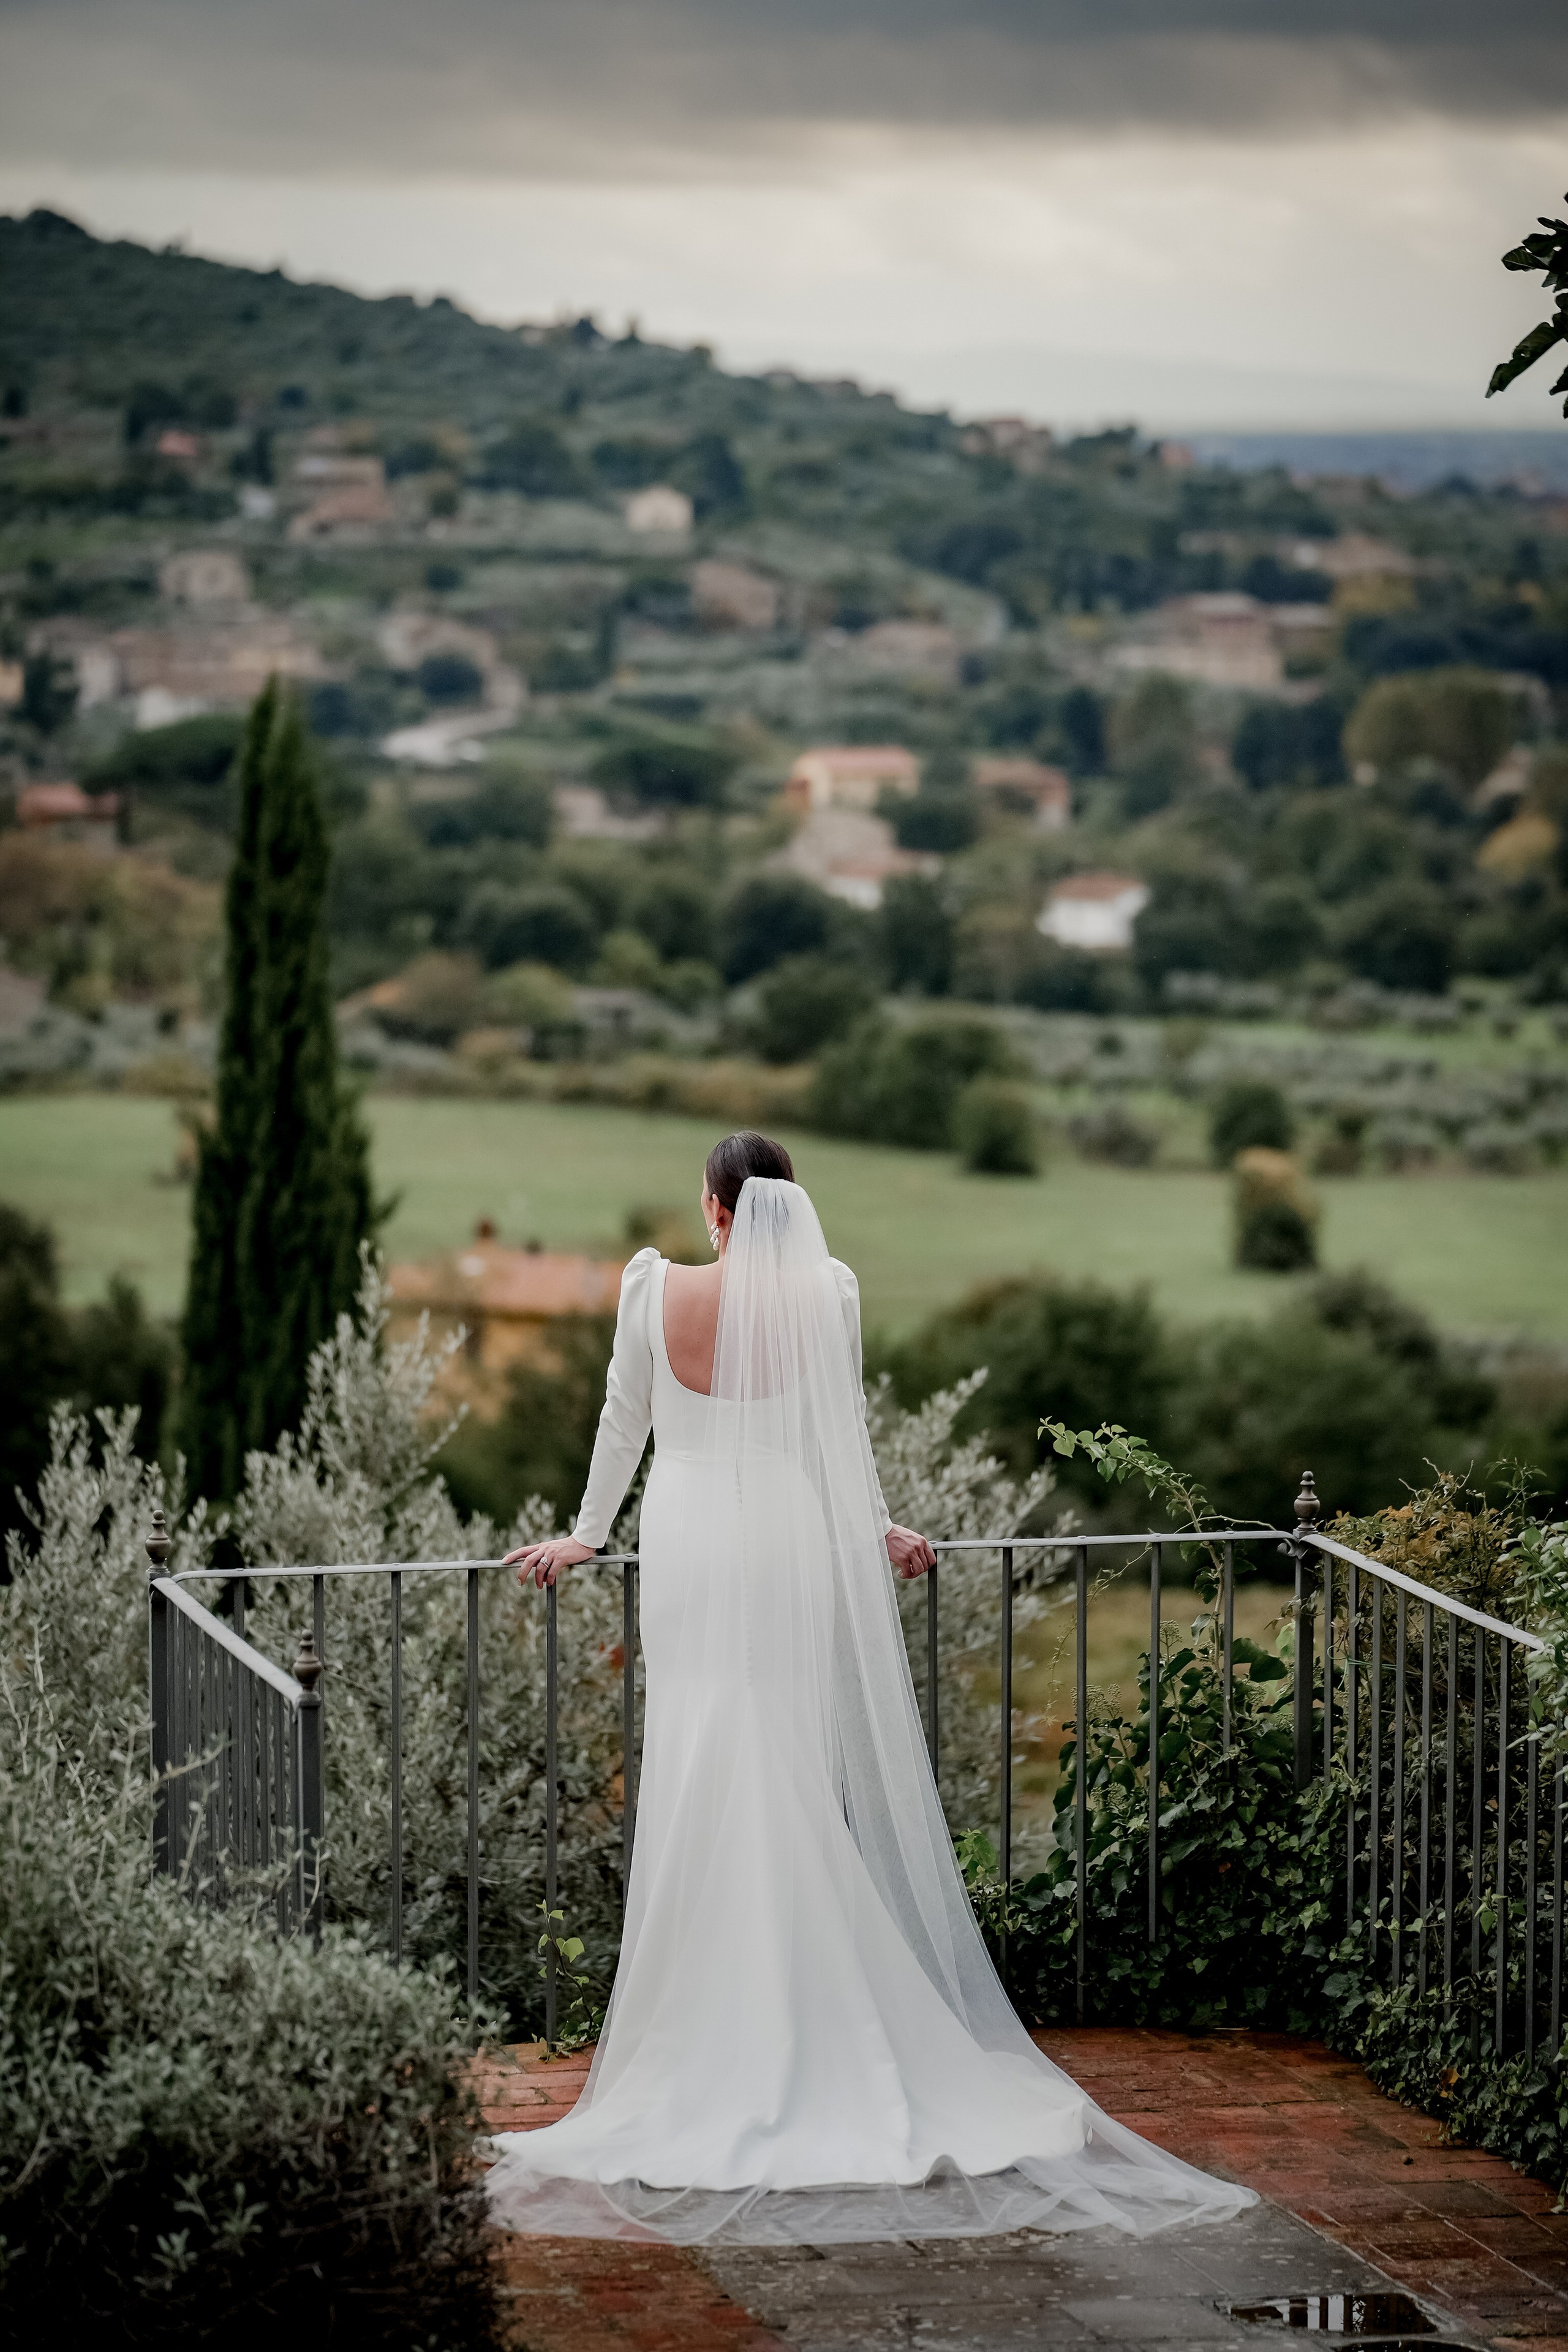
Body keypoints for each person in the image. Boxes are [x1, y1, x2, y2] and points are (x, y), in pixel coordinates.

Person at [486, 1132, 1254, 2245]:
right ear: (789, 1208)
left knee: (707, 1751)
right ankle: (813, 2014)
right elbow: (836, 1439)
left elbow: (625, 1423)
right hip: (793, 1538)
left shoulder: (653, 1290)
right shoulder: (826, 1297)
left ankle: (716, 2025)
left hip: (693, 1539)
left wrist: (587, 1534)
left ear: (713, 1210)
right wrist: (871, 1527)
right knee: (782, 1757)